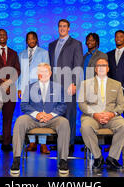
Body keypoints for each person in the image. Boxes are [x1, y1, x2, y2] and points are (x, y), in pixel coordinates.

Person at [10, 63, 70, 175]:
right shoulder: (30, 87)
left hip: (52, 118)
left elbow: (62, 105)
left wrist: (51, 115)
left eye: (45, 72)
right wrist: (37, 114)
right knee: (20, 121)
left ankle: (63, 160)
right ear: (37, 74)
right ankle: (16, 159)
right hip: (33, 118)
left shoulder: (58, 87)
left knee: (64, 122)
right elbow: (24, 105)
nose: (43, 74)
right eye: (40, 72)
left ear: (50, 73)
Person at [78, 58, 124, 171]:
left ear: (108, 68)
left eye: (104, 65)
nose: (101, 67)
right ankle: (98, 157)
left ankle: (112, 157)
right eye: (99, 66)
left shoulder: (116, 84)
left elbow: (121, 104)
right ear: (96, 69)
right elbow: (82, 104)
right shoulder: (85, 84)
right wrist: (95, 114)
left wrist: (112, 114)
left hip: (111, 116)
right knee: (85, 127)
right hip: (92, 116)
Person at [48, 19, 83, 155]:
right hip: (54, 85)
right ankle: (59, 142)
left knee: (69, 114)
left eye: (64, 26)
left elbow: (78, 66)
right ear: (58, 28)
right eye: (60, 26)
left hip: (68, 85)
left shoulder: (76, 44)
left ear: (69, 29)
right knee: (57, 115)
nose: (62, 28)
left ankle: (69, 143)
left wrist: (74, 83)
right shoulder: (52, 45)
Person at [18, 31, 51, 154]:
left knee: (42, 113)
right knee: (29, 114)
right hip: (25, 88)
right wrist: (19, 87)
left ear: (36, 39)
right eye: (28, 39)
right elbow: (19, 73)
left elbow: (47, 70)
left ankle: (43, 143)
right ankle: (32, 142)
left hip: (40, 87)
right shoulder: (21, 54)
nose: (31, 40)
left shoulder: (44, 53)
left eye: (33, 38)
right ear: (26, 41)